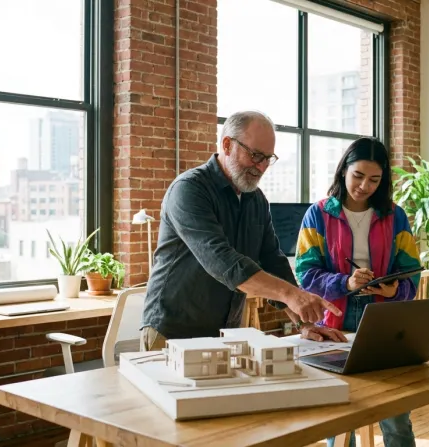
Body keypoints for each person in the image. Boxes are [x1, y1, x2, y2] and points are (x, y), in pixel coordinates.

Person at [139, 110, 346, 351]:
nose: (262, 167)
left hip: (225, 334)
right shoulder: (189, 190)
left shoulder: (256, 200)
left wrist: (305, 322)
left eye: (268, 158)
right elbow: (223, 262)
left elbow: (273, 260)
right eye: (256, 155)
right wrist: (291, 295)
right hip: (172, 333)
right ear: (227, 145)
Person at [294, 137, 422, 447]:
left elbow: (412, 273)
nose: (365, 185)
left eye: (374, 179)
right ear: (343, 172)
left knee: (396, 419)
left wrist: (395, 290)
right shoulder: (319, 214)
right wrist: (346, 283)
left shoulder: (395, 215)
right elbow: (305, 274)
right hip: (333, 319)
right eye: (358, 176)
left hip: (382, 318)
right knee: (338, 422)